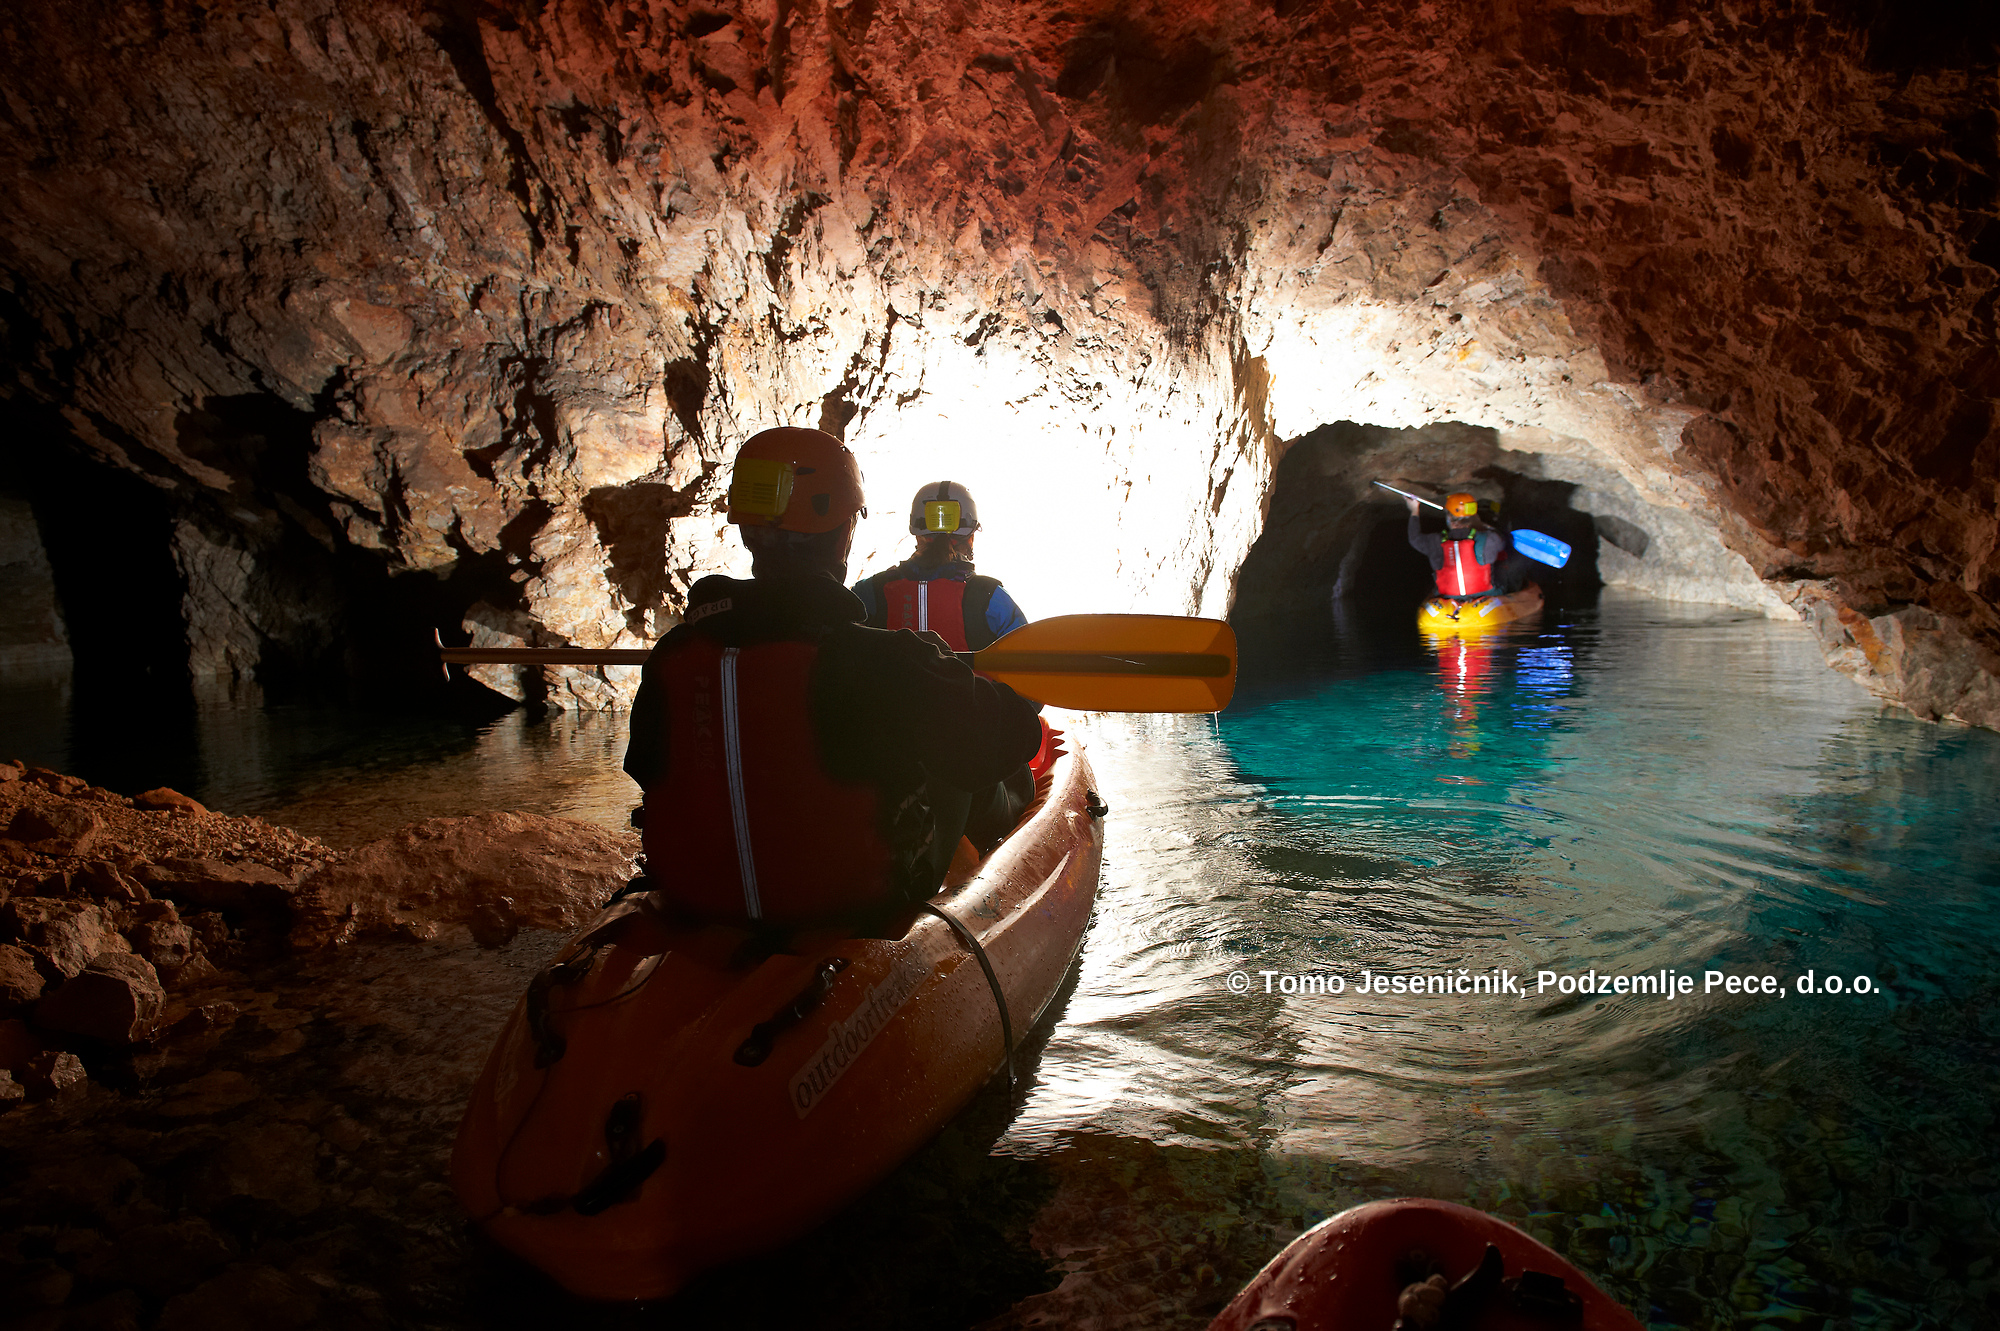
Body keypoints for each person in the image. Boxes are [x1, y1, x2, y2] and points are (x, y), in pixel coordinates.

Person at [622, 428, 1041, 930]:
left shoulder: (675, 654)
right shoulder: (887, 660)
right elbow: (1013, 736)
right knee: (954, 753)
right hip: (858, 900)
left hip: (702, 897)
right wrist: (948, 681)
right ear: (844, 531)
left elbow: (646, 769)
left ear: (747, 531)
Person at [850, 482, 1028, 652]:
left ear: (918, 537)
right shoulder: (991, 597)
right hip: (967, 685)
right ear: (971, 537)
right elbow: (1027, 658)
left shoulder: (869, 591)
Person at [1406, 491, 1509, 598]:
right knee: (1503, 564)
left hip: (1447, 597)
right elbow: (1503, 543)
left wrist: (1414, 510)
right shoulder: (1488, 538)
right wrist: (1483, 526)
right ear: (1473, 516)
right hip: (1486, 595)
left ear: (1449, 518)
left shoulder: (1435, 541)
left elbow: (1414, 538)